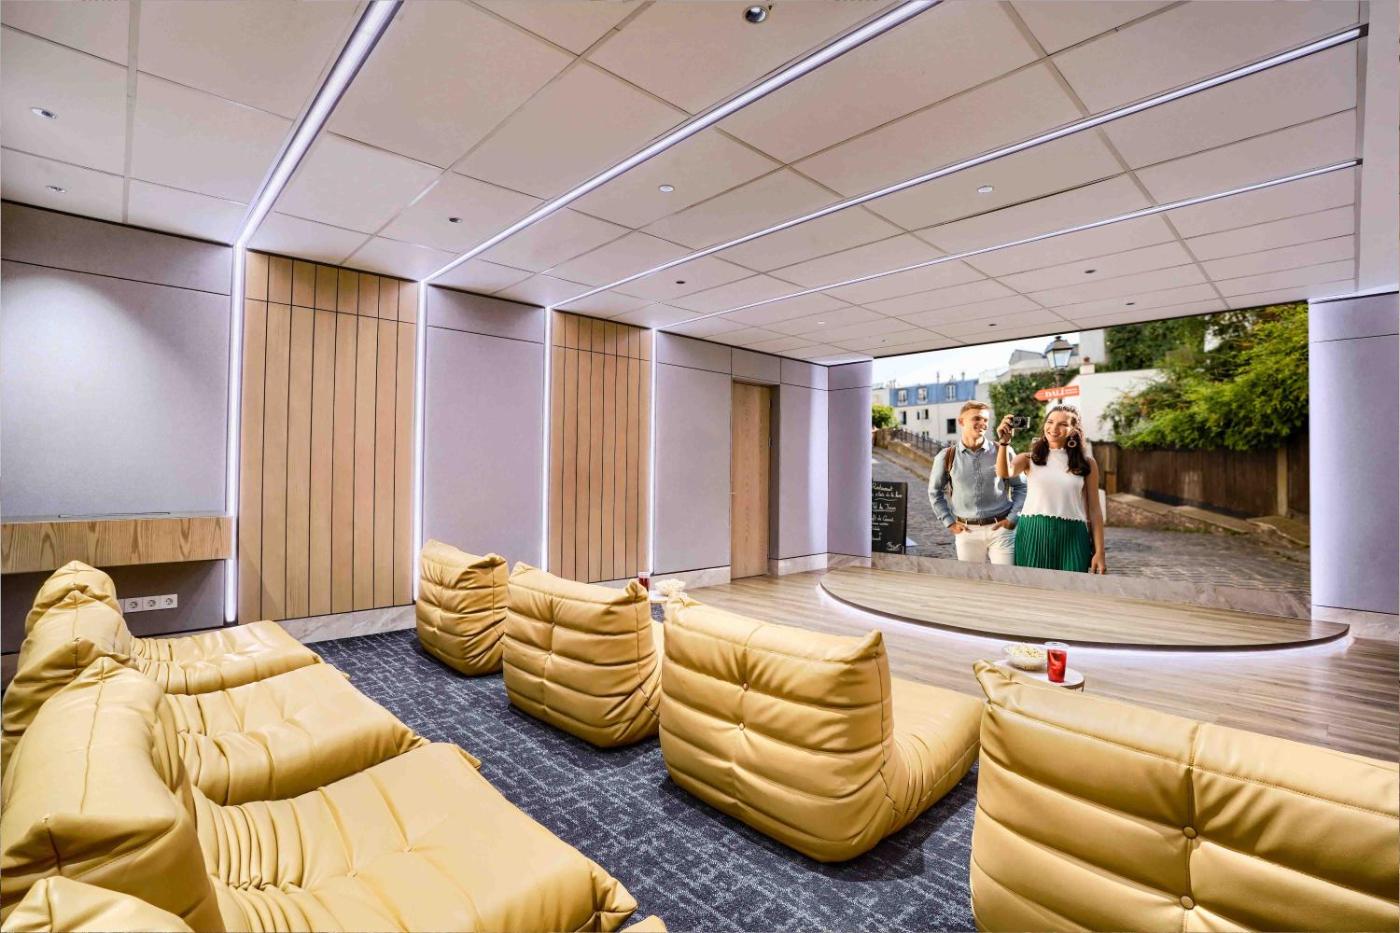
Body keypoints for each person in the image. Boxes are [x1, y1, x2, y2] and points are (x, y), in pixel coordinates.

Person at [995, 405, 1107, 574]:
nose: (1054, 428)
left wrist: (1100, 552)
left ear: (1074, 430)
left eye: (1063, 424)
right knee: (1033, 587)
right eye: (1050, 421)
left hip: (1074, 536)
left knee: (1073, 587)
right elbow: (1004, 472)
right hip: (1033, 532)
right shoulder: (1028, 459)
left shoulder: (1087, 463)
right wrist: (1004, 442)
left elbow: (1095, 510)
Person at [929, 401, 1027, 564]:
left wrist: (1013, 518)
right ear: (961, 421)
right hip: (967, 532)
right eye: (976, 418)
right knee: (971, 579)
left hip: (1001, 530)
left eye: (985, 420)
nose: (982, 423)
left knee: (1007, 577)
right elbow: (935, 492)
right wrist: (949, 523)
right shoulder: (946, 456)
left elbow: (1021, 486)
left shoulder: (1003, 450)